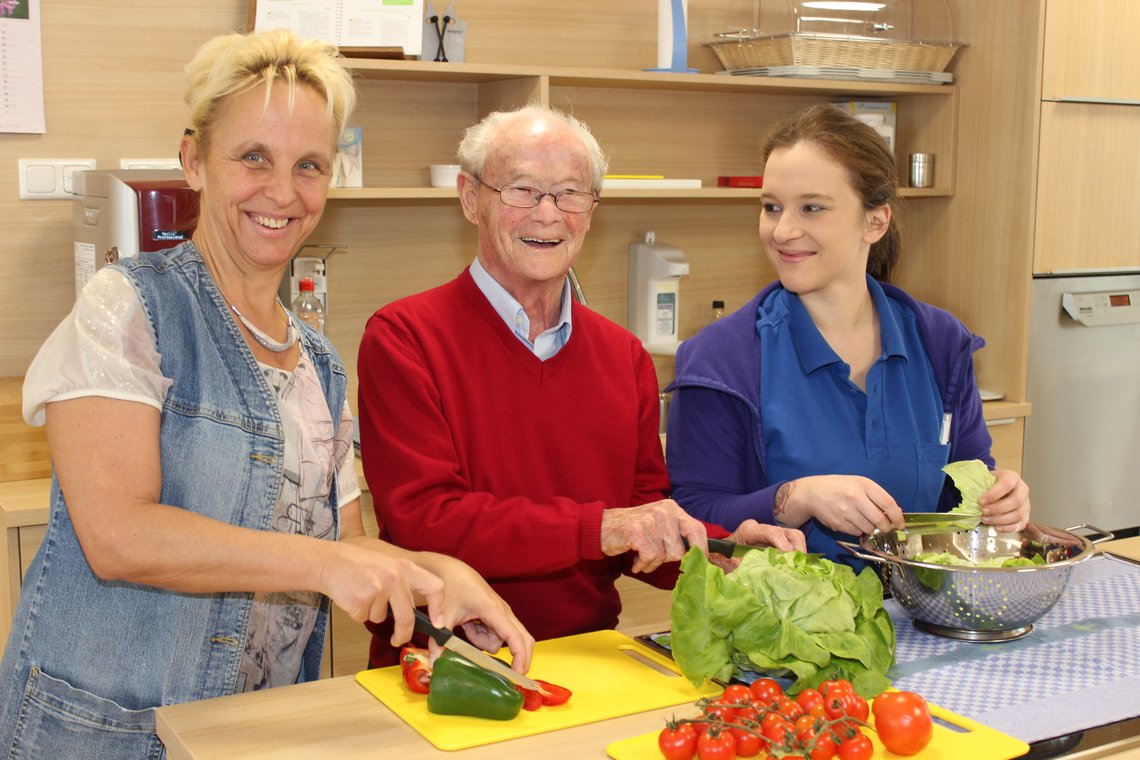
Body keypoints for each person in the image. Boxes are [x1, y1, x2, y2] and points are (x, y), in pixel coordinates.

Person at [0, 29, 532, 758]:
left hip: (249, 736)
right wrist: (327, 566)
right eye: (253, 157)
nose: (282, 192)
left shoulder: (315, 360)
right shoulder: (126, 308)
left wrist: (441, 577)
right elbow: (117, 535)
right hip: (112, 737)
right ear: (194, 160)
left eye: (309, 165)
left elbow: (343, 546)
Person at [357, 105, 805, 667]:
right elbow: (426, 520)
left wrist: (722, 548)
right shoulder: (404, 338)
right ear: (471, 197)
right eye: (522, 189)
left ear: (591, 211)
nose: (547, 214)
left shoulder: (624, 357)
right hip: (445, 666)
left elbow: (641, 518)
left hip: (590, 661)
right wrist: (600, 529)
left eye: (570, 193)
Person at [666, 104, 1032, 566]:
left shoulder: (939, 343)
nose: (783, 230)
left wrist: (1000, 501)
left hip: (922, 619)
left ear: (874, 222)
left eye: (812, 207)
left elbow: (967, 486)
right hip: (781, 626)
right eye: (772, 207)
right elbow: (691, 520)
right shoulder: (721, 360)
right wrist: (793, 498)